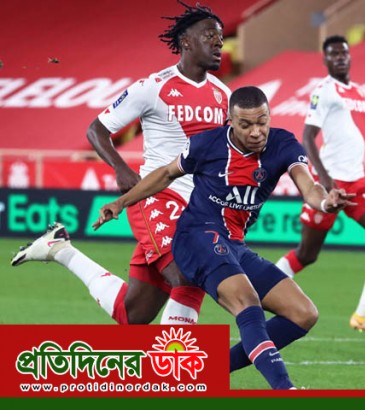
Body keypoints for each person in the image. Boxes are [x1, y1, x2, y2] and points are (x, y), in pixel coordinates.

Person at [93, 86, 355, 389]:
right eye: (246, 125)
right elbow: (165, 174)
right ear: (230, 121)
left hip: (233, 244)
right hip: (195, 237)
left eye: (262, 122)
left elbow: (308, 186)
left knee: (303, 313)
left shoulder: (283, 144)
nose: (256, 132)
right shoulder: (207, 144)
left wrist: (325, 202)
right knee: (247, 301)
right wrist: (120, 203)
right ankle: (285, 388)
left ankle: (209, 370)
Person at [11, 1, 231, 325]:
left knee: (133, 314)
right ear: (186, 41)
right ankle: (175, 357)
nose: (219, 43)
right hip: (156, 196)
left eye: (221, 37)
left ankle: (60, 249)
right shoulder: (152, 87)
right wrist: (120, 168)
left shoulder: (223, 95)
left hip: (197, 207)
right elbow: (96, 129)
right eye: (210, 35)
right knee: (187, 273)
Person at [274, 35, 365, 339]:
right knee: (306, 254)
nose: (339, 58)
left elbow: (354, 137)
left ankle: (364, 314)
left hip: (357, 181)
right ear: (325, 60)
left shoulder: (359, 92)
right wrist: (326, 183)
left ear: (349, 56)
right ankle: (260, 288)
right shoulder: (324, 91)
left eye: (343, 53)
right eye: (333, 54)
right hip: (329, 182)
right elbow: (308, 138)